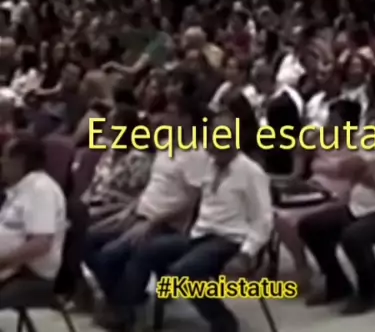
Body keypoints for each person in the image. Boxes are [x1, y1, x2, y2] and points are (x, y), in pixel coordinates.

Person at [104, 111, 273, 332]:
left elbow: (264, 219)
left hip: (230, 240)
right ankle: (129, 313)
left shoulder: (251, 172)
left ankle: (224, 323)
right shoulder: (208, 166)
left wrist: (246, 254)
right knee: (145, 248)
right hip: (199, 235)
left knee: (182, 272)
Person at [298, 93, 375, 314]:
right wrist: (369, 167)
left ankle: (369, 292)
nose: (374, 118)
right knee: (310, 226)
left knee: (354, 235)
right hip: (361, 208)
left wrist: (363, 167)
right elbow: (348, 167)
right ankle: (337, 283)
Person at [275, 99, 361, 293]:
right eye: (329, 118)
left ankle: (314, 271)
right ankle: (301, 265)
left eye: (335, 119)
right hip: (312, 188)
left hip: (338, 195)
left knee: (289, 218)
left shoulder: (359, 142)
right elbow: (298, 152)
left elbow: (350, 171)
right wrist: (311, 138)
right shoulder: (323, 138)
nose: (330, 123)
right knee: (276, 214)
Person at [0, 134, 67, 308]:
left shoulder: (42, 190)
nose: (2, 162)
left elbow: (40, 243)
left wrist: (3, 261)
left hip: (27, 275)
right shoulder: (20, 189)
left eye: (5, 157)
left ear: (19, 161)